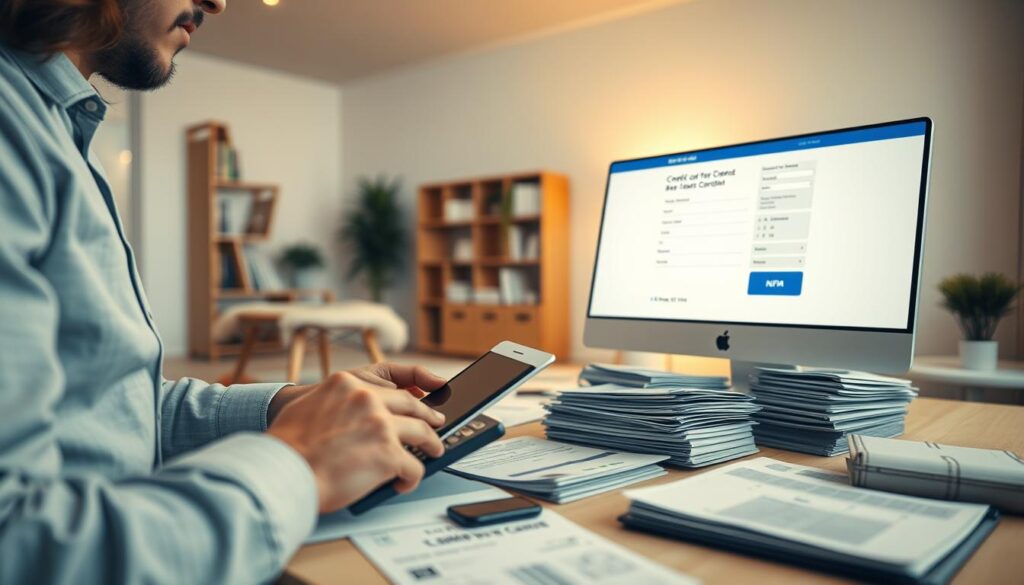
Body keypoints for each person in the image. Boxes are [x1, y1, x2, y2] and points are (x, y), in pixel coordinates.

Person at [0, 1, 448, 582]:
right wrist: (299, 464)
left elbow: (115, 410)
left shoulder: (58, 130)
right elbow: (19, 544)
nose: (218, 2)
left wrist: (291, 406)